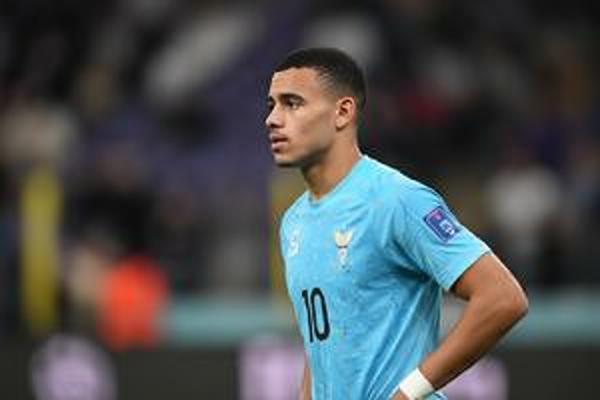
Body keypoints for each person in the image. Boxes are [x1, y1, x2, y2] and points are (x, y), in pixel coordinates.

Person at [266, 47, 528, 400]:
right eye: (272, 105)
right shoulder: (294, 222)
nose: (273, 119)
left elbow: (503, 297)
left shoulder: (396, 200)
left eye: (292, 103)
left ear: (343, 112)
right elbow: (322, 346)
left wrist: (407, 394)